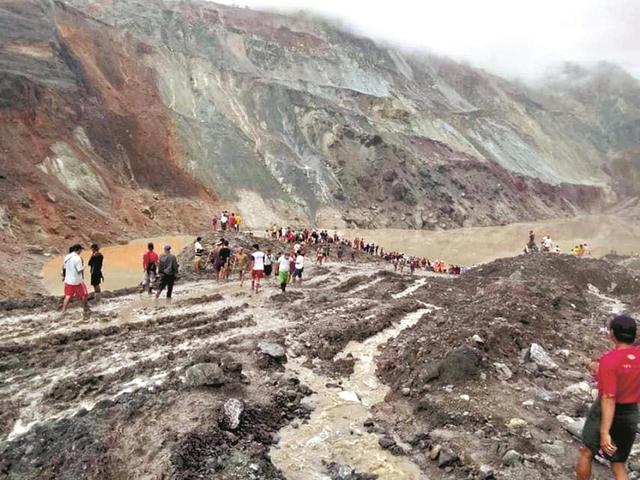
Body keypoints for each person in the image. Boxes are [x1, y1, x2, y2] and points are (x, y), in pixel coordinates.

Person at [577, 315, 640, 480]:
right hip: (630, 412)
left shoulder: (609, 360)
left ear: (612, 334)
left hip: (604, 412)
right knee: (618, 463)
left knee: (586, 451)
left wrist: (605, 432)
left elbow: (609, 397)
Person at [61, 244, 89, 314]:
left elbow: (64, 268)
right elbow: (79, 270)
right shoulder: (77, 258)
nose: (81, 251)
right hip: (77, 281)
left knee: (68, 296)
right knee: (84, 294)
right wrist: (84, 267)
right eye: (81, 250)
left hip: (68, 280)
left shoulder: (67, 257)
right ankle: (85, 308)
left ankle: (63, 311)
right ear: (78, 250)